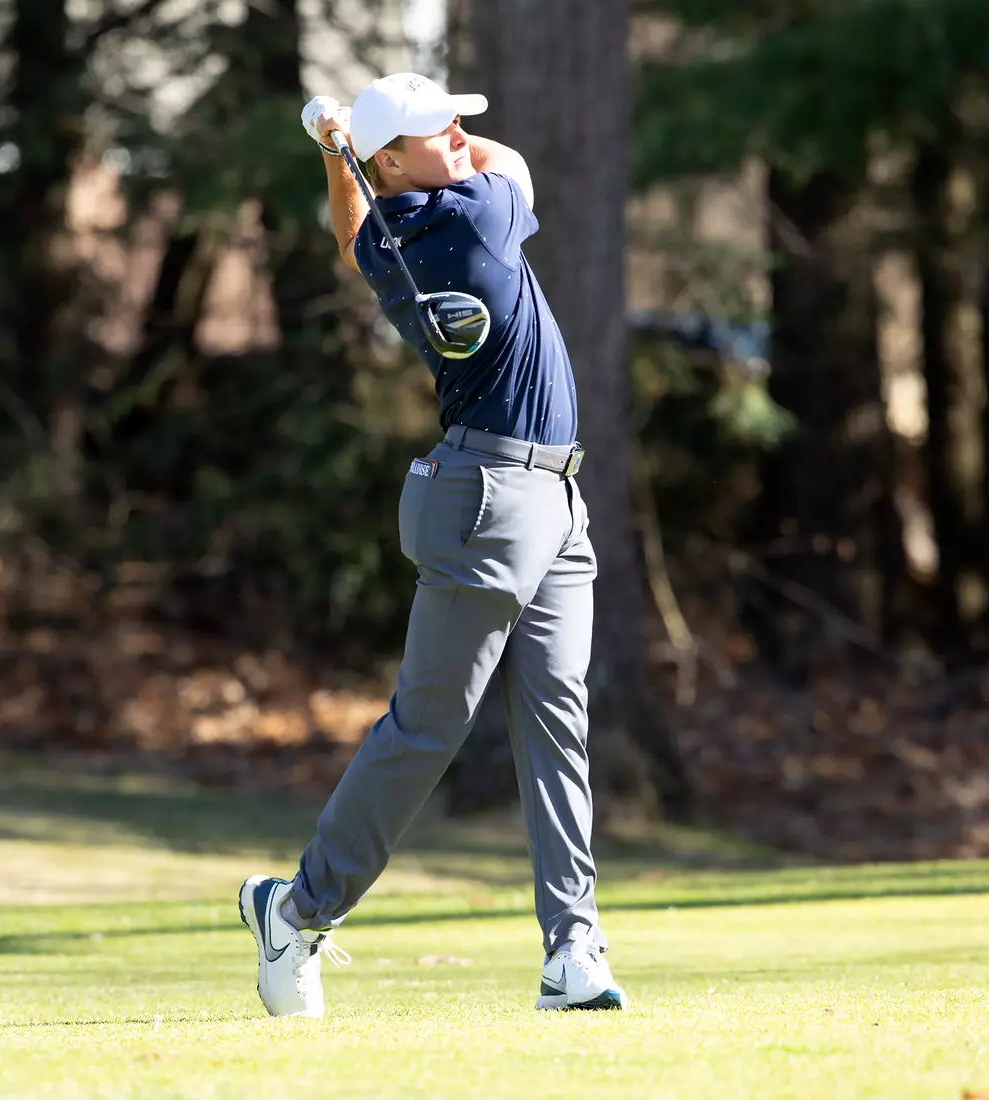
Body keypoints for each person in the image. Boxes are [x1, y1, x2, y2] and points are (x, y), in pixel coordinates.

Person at [238, 72, 625, 1017]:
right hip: (490, 501)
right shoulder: (478, 212)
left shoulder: (392, 240)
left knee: (556, 723)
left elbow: (347, 233)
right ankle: (299, 909)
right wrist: (350, 145)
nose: (459, 136)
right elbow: (511, 161)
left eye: (455, 124)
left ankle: (572, 951)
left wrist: (339, 151)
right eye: (433, 130)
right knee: (429, 725)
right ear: (395, 162)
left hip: (552, 500)